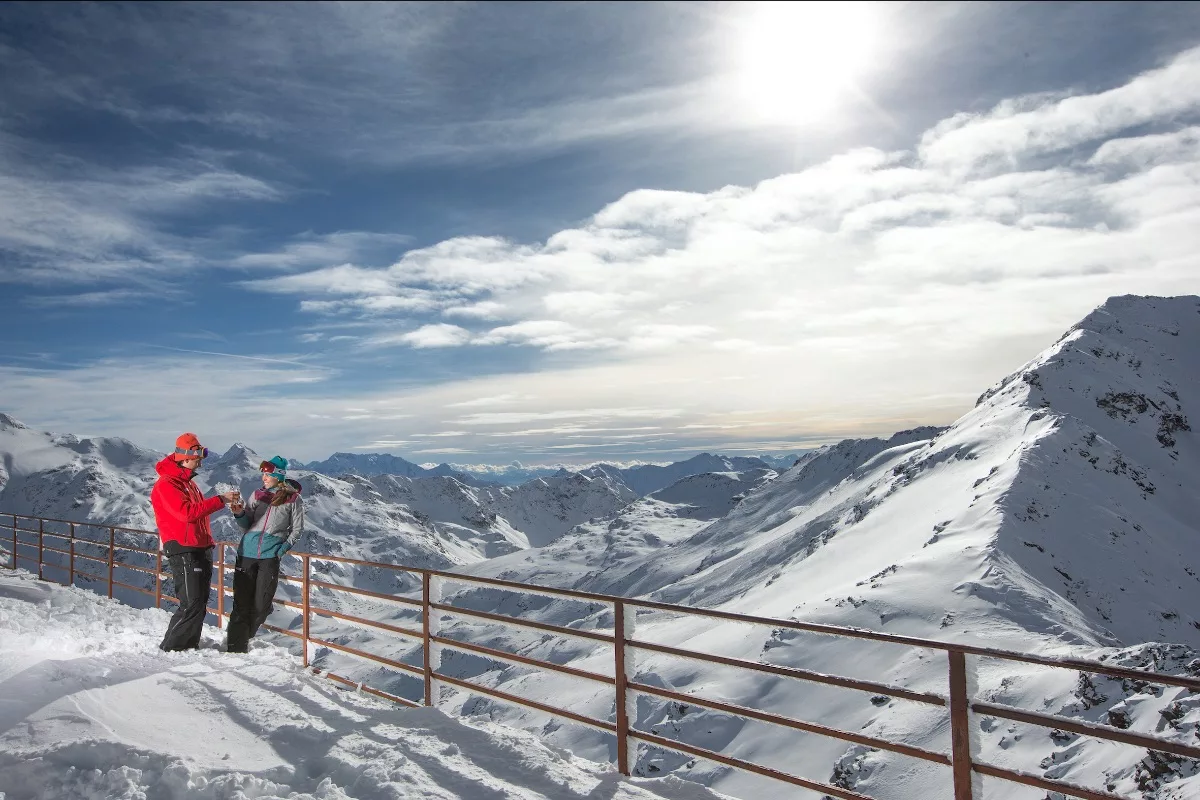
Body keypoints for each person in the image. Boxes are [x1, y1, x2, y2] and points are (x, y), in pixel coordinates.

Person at [151, 433, 239, 652]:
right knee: (191, 602)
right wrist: (221, 500)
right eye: (199, 455)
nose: (201, 460)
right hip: (183, 548)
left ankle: (187, 645)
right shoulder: (168, 484)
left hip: (198, 546)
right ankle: (172, 649)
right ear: (186, 456)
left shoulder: (188, 484)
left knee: (198, 602)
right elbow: (187, 514)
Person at [225, 455, 305, 653]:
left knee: (261, 604)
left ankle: (244, 636)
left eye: (267, 474)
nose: (264, 478)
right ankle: (235, 647)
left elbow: (297, 529)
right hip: (246, 553)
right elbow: (246, 525)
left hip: (269, 556)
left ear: (279, 475)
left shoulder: (293, 498)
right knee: (241, 602)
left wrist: (281, 549)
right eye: (263, 474)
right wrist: (239, 514)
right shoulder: (257, 495)